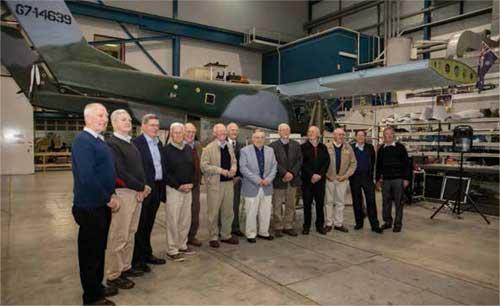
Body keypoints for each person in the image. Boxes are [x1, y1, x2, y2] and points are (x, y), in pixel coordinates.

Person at [71, 103, 119, 306]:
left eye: (106, 116)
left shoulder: (99, 140)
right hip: (90, 206)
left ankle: (97, 287)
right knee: (90, 254)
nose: (104, 119)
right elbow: (87, 177)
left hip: (101, 204)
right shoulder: (83, 141)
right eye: (100, 115)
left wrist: (112, 192)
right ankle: (91, 298)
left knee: (99, 249)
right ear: (87, 118)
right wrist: (108, 197)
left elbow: (106, 172)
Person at [105, 110, 151, 290]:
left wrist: (144, 186)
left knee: (130, 233)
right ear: (114, 123)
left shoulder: (130, 144)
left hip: (136, 193)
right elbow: (119, 172)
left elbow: (140, 169)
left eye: (130, 120)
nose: (128, 123)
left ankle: (125, 267)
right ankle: (113, 274)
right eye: (124, 120)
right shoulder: (112, 144)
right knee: (119, 235)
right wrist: (140, 187)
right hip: (124, 193)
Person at [132, 114, 167, 272]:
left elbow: (160, 165)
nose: (155, 128)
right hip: (144, 189)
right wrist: (141, 186)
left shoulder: (158, 143)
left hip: (157, 187)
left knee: (149, 224)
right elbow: (135, 168)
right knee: (140, 225)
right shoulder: (136, 143)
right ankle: (137, 260)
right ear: (143, 126)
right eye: (152, 125)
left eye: (157, 125)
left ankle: (147, 254)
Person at [200, 124, 239, 248]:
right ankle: (213, 237)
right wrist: (220, 170)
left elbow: (234, 160)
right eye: (220, 131)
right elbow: (204, 166)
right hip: (215, 185)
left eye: (224, 131)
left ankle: (226, 235)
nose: (222, 133)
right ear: (215, 133)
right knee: (213, 212)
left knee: (228, 211)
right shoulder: (208, 148)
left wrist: (233, 169)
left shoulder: (229, 146)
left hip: (228, 183)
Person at [239, 129, 277, 243]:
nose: (259, 139)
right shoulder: (245, 151)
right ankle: (251, 234)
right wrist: (258, 180)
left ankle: (263, 232)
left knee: (265, 211)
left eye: (261, 137)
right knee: (251, 211)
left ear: (264, 139)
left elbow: (274, 166)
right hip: (252, 186)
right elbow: (243, 168)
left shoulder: (270, 150)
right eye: (257, 137)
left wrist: (268, 179)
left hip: (267, 186)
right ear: (252, 138)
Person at [164, 123, 195, 261]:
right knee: (173, 220)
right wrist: (178, 186)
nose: (178, 135)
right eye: (175, 133)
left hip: (188, 189)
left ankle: (182, 244)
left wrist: (191, 184)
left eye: (181, 133)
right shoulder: (166, 150)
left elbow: (193, 168)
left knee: (185, 219)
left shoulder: (188, 149)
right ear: (171, 134)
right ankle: (172, 249)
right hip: (173, 190)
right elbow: (165, 173)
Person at [269, 123, 302, 237]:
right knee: (277, 204)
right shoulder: (272, 146)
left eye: (287, 130)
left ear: (290, 132)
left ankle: (288, 225)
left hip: (292, 179)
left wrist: (292, 173)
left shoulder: (296, 145)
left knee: (291, 204)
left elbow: (299, 161)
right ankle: (277, 226)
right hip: (279, 179)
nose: (285, 132)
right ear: (279, 132)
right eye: (282, 130)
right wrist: (284, 173)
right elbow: (273, 162)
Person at [376, 127, 410, 233]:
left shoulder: (400, 147)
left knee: (398, 203)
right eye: (386, 134)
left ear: (393, 135)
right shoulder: (381, 149)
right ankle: (387, 222)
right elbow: (378, 166)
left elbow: (407, 164)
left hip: (398, 179)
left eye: (390, 134)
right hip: (386, 180)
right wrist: (377, 180)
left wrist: (406, 178)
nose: (389, 136)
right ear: (384, 136)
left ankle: (397, 224)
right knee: (386, 202)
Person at [349, 130, 383, 233]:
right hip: (354, 177)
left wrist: (374, 177)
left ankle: (375, 225)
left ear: (365, 137)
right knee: (357, 201)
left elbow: (373, 162)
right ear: (355, 137)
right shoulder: (351, 148)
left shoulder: (370, 148)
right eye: (358, 135)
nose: (360, 137)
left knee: (371, 201)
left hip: (367, 177)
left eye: (362, 135)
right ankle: (359, 223)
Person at [324, 128, 357, 233]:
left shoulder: (348, 148)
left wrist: (345, 176)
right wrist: (326, 175)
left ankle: (338, 223)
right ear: (334, 135)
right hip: (329, 179)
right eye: (339, 135)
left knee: (340, 202)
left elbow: (353, 164)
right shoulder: (327, 147)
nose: (341, 137)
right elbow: (321, 163)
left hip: (342, 180)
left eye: (343, 135)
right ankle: (328, 223)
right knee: (328, 202)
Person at [301, 126, 330, 235]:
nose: (311, 133)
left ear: (318, 134)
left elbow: (326, 162)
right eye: (309, 131)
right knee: (307, 204)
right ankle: (306, 226)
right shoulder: (303, 147)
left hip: (320, 181)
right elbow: (302, 163)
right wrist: (312, 175)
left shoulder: (323, 147)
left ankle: (319, 226)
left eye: (313, 131)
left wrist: (320, 175)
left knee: (320, 204)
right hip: (307, 181)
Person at [184, 123, 203, 247]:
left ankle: (191, 236)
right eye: (188, 131)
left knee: (195, 211)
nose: (191, 134)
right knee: (183, 214)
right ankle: (182, 238)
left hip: (195, 185)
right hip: (182, 186)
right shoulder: (179, 145)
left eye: (193, 132)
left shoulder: (197, 146)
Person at [226, 122, 245, 237]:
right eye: (232, 130)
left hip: (237, 180)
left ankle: (235, 227)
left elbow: (243, 163)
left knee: (236, 204)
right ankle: (223, 228)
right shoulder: (222, 144)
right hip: (224, 179)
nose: (234, 132)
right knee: (224, 206)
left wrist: (238, 176)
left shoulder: (242, 145)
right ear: (227, 131)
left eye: (236, 130)